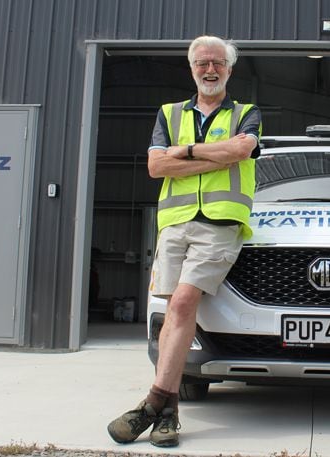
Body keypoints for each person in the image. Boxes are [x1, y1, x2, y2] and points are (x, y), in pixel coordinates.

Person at [107, 35, 261, 448]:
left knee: (182, 303)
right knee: (170, 311)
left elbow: (241, 152)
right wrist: (211, 153)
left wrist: (186, 151)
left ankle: (153, 400)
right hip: (174, 224)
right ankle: (167, 413)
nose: (209, 70)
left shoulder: (247, 112)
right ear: (191, 68)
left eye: (217, 63)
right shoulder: (168, 112)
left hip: (220, 224)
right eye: (201, 63)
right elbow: (156, 165)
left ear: (229, 69)